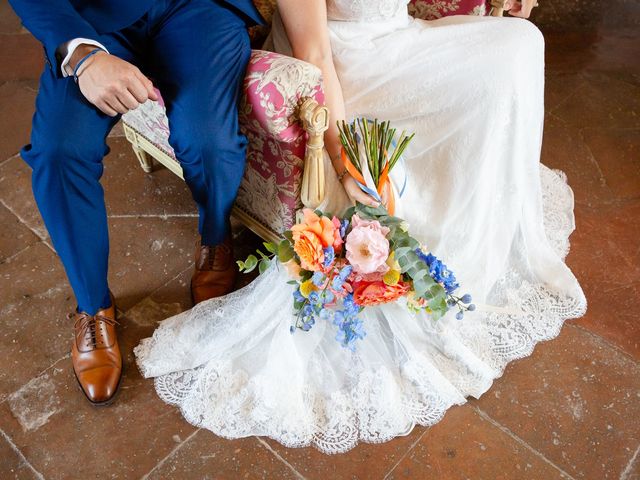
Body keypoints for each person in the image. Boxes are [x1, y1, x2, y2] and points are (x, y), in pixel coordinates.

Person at [135, 0, 586, 453]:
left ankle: (469, 206)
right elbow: (315, 55)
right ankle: (423, 209)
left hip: (399, 39)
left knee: (521, 44)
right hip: (343, 69)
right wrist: (342, 159)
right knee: (509, 54)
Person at [8, 0, 264, 406]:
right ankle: (93, 307)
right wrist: (84, 55)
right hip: (93, 19)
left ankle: (215, 239)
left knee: (208, 139)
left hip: (199, 9)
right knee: (58, 152)